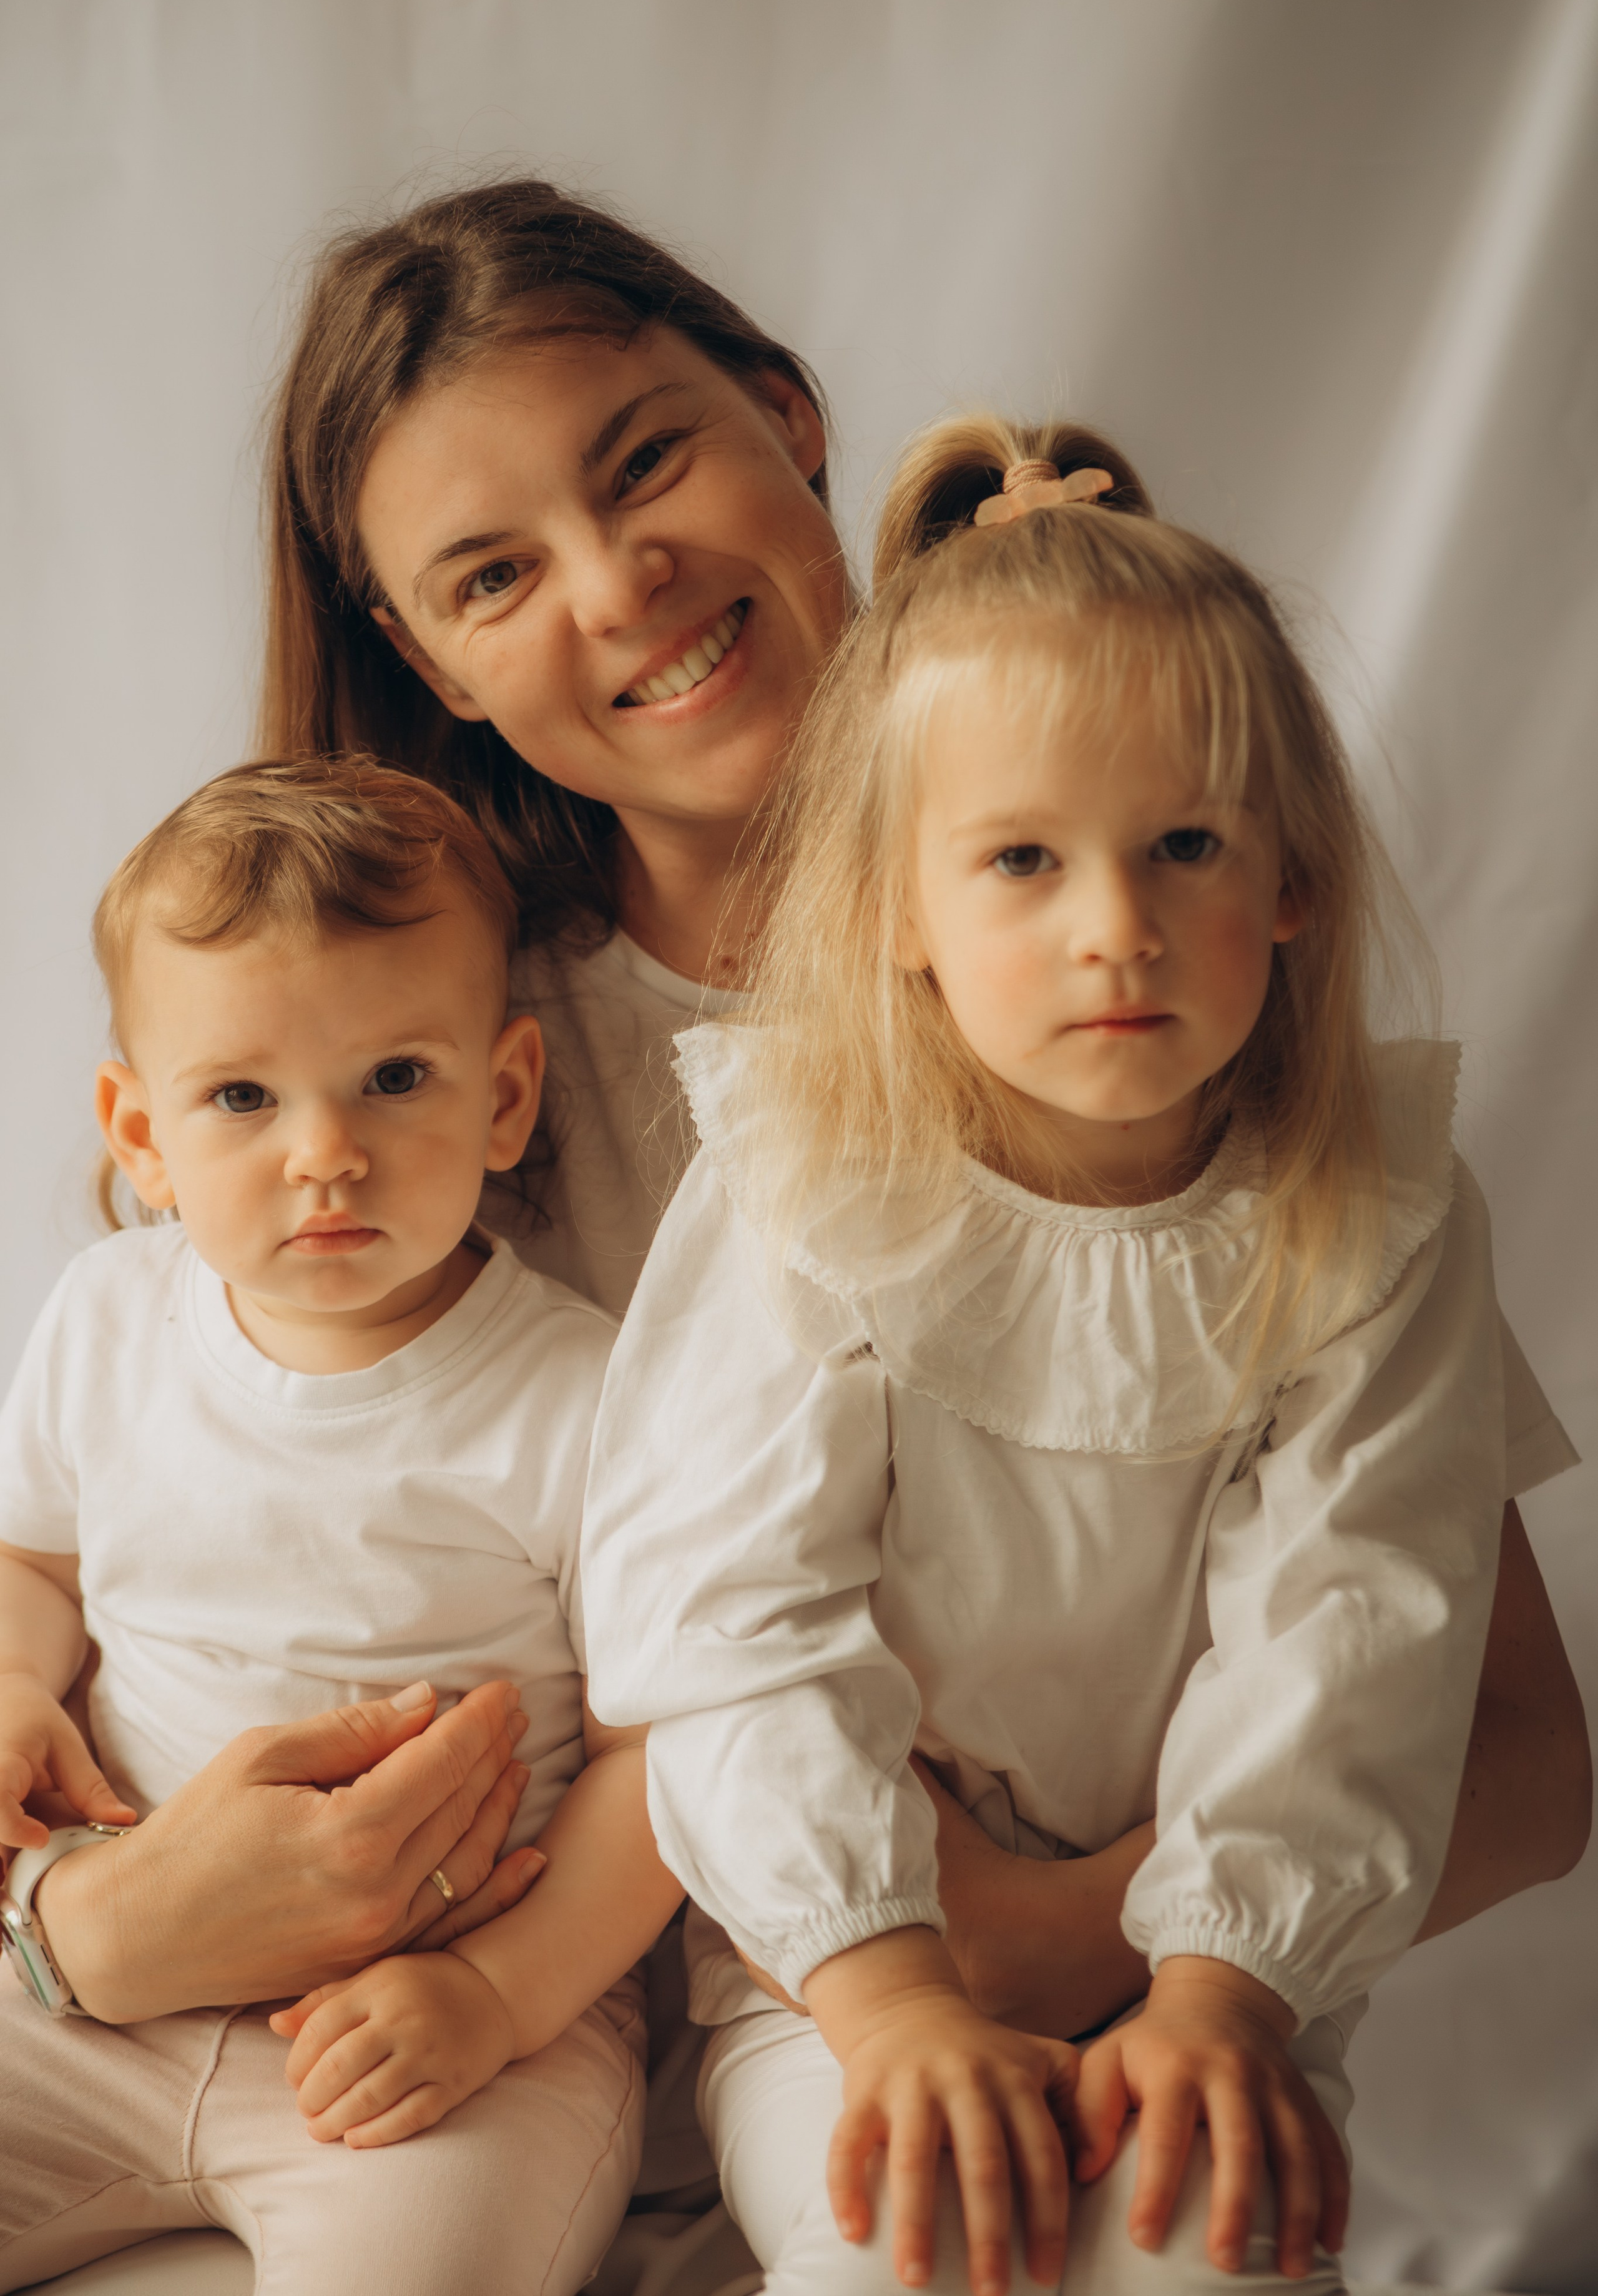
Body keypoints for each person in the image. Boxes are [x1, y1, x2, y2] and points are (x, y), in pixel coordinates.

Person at [19, 175, 1582, 2177]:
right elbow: (125, 1585)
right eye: (493, 578)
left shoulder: (1145, 1001)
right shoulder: (402, 1086)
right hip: (492, 2120)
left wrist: (1048, 1939)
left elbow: (1521, 1757)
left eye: (649, 458)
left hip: (1070, 2072)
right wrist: (86, 1926)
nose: (618, 586)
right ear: (424, 657)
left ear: (790, 413)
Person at [576, 419, 1585, 2296]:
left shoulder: (1372, 1214)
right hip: (843, 1967)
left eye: (1183, 845)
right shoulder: (812, 1187)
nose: (1114, 931)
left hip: (1231, 1965)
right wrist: (892, 2008)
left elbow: (1357, 1633)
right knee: (923, 2260)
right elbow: (727, 1628)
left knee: (1208, 2264)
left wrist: (1222, 1991)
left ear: (1288, 877)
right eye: (1023, 860)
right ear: (901, 913)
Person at [0, 758, 680, 2293]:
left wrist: (501, 2001)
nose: (325, 1152)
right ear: (140, 1133)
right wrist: (16, 1685)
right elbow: (36, 1561)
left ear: (505, 1094)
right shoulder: (110, 1320)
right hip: (109, 1981)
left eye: (394, 1079)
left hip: (453, 2031)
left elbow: (664, 1755)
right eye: (242, 1096)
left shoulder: (579, 1393)